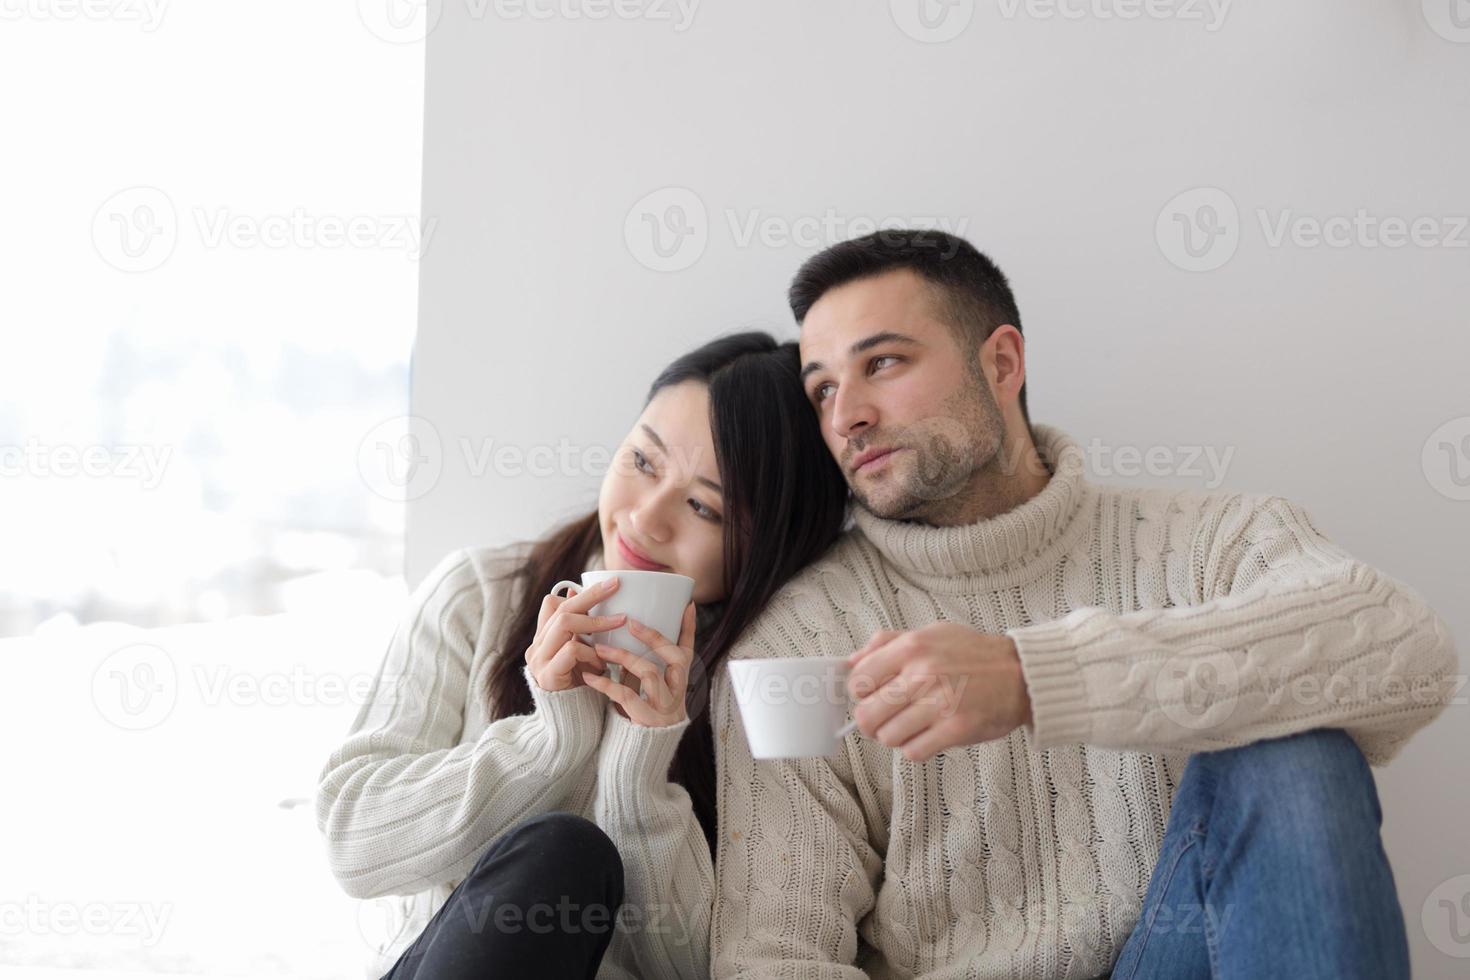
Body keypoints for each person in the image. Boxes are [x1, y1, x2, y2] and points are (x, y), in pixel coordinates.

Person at [709, 230, 1460, 979]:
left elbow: (1408, 652)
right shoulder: (801, 638)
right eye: (824, 390)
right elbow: (772, 959)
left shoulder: (1209, 543)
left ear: (1001, 363)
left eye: (883, 362)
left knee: (1296, 747)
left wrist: (1034, 679)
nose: (847, 417)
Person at [314, 332, 848, 979]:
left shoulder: (774, 677)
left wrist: (639, 762)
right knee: (561, 853)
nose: (646, 519)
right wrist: (548, 741)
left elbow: (694, 967)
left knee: (573, 854)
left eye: (705, 506)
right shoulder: (480, 597)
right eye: (643, 463)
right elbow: (352, 841)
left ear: (772, 541)